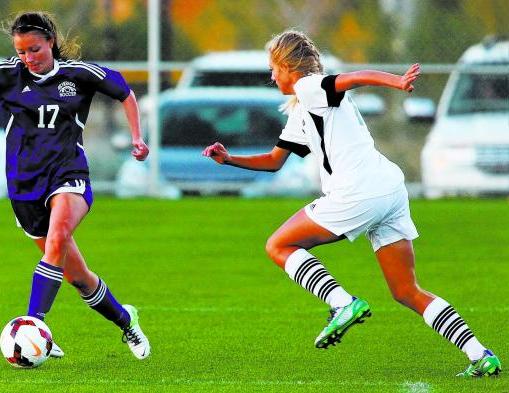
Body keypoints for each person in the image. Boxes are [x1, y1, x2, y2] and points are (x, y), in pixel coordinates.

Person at [203, 29, 501, 377]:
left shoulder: (309, 86)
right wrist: (229, 159)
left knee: (278, 244)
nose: (271, 76)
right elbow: (274, 160)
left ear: (289, 66)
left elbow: (354, 77)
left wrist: (397, 81)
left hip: (357, 193)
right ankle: (480, 354)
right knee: (406, 290)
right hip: (389, 189)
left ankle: (341, 302)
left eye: (273, 68)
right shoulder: (304, 108)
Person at [0, 11, 151, 360]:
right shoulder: (8, 74)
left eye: (35, 49)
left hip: (68, 174)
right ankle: (126, 320)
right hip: (24, 187)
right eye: (22, 51)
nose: (29, 58)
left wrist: (137, 138)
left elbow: (125, 93)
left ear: (51, 42)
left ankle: (33, 323)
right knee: (78, 276)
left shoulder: (79, 75)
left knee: (57, 239)